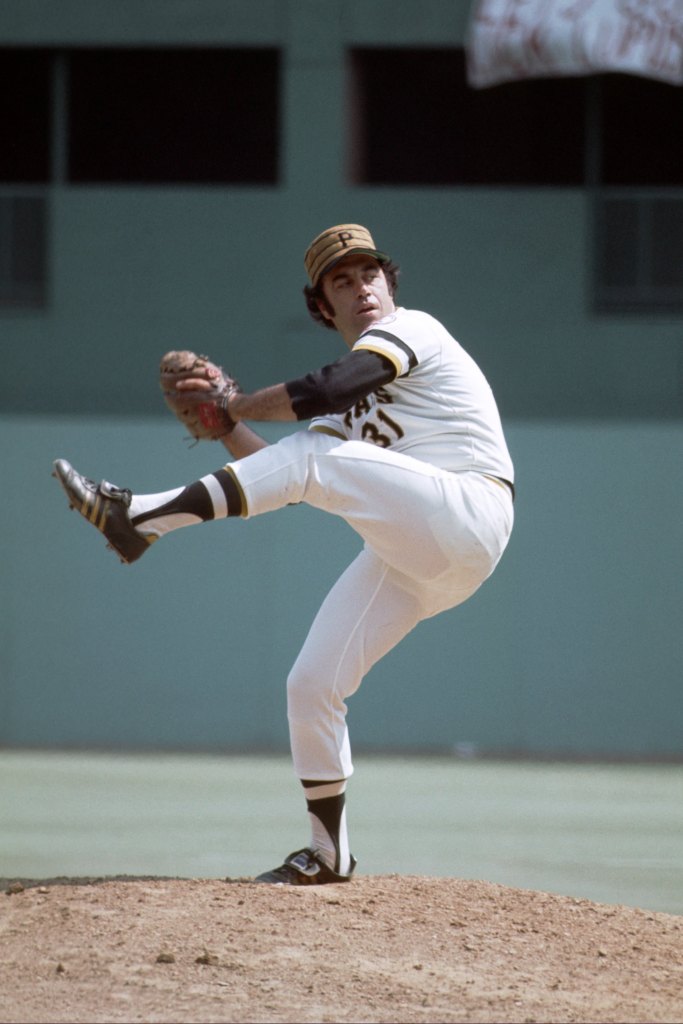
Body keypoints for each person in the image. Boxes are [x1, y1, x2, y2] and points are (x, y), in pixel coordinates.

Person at [53, 223, 515, 886]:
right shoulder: (340, 425)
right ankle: (328, 855)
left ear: (389, 283)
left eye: (369, 274)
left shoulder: (416, 329)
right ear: (323, 307)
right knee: (312, 683)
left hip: (471, 511)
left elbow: (327, 394)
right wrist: (225, 427)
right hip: (416, 561)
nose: (361, 289)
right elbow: (283, 473)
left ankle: (140, 518)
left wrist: (235, 401)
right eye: (341, 282)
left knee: (318, 456)